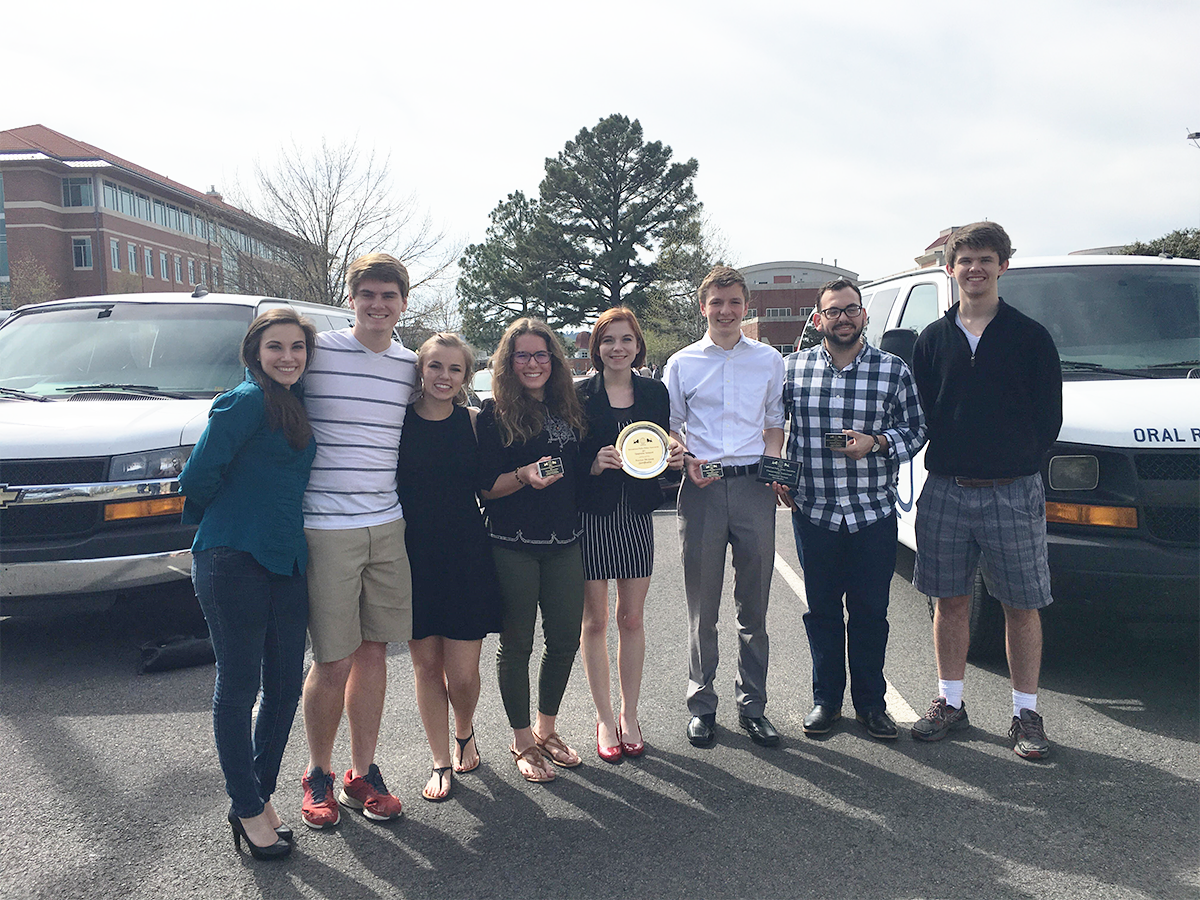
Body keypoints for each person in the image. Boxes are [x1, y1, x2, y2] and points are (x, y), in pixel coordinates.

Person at [909, 221, 1062, 759]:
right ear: (949, 270)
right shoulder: (932, 341)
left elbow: (1049, 421)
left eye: (985, 259)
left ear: (1002, 265)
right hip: (946, 489)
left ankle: (1026, 714)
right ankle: (950, 703)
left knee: (1021, 605)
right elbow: (920, 415)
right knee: (948, 602)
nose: (974, 269)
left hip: (1012, 492)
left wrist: (1014, 465)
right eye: (965, 261)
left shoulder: (1030, 337)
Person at [179, 308, 318, 860]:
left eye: (297, 348)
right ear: (255, 353)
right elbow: (197, 478)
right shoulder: (245, 401)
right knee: (239, 688)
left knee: (285, 687)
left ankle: (254, 798)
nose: (287, 357)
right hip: (232, 559)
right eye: (275, 348)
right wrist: (233, 522)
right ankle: (247, 803)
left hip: (286, 561)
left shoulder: (295, 402)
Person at [776, 279, 926, 741]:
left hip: (871, 515)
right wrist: (781, 473)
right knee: (820, 611)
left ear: (863, 316)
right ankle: (826, 701)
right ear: (817, 320)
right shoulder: (791, 369)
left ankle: (871, 705)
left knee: (869, 614)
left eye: (851, 310)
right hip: (815, 512)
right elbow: (773, 427)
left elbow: (917, 429)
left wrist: (877, 443)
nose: (843, 318)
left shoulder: (892, 370)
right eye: (833, 311)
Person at [299, 253, 418, 827]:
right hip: (326, 526)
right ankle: (317, 773)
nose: (378, 305)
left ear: (403, 303)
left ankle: (361, 774)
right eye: (367, 294)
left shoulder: (411, 365)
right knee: (332, 657)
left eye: (388, 296)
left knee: (375, 652)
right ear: (351, 299)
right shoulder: (316, 352)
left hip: (387, 525)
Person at [664, 264, 786, 748]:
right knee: (703, 607)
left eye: (734, 302)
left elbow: (774, 420)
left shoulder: (770, 360)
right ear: (703, 307)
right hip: (703, 488)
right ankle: (702, 704)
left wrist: (774, 461)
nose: (726, 310)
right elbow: (671, 426)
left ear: (746, 307)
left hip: (755, 486)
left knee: (753, 605)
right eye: (717, 302)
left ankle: (753, 705)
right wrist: (684, 455)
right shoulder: (683, 363)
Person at [477, 318, 588, 783]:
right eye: (521, 355)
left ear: (554, 359)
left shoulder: (571, 407)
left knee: (565, 639)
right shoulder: (492, 413)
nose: (532, 363)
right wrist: (523, 475)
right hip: (512, 545)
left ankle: (546, 729)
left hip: (566, 542)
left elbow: (580, 472)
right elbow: (486, 489)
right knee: (517, 645)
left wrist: (601, 463)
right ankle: (521, 738)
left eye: (541, 354)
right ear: (508, 361)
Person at [396, 333, 504, 801]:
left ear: (465, 375)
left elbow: (490, 487)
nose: (444, 376)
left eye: (454, 369)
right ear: (421, 369)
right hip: (410, 553)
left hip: (466, 553)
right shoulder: (396, 424)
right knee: (425, 666)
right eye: (435, 366)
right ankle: (440, 758)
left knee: (461, 673)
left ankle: (465, 730)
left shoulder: (477, 423)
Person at [577, 307, 684, 762]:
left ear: (638, 345)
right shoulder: (579, 395)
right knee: (596, 622)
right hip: (593, 517)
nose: (617, 348)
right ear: (595, 349)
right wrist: (591, 464)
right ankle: (604, 717)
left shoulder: (654, 393)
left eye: (626, 339)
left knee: (632, 620)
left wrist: (674, 455)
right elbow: (565, 459)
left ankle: (630, 714)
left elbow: (664, 443)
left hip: (638, 516)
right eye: (608, 341)